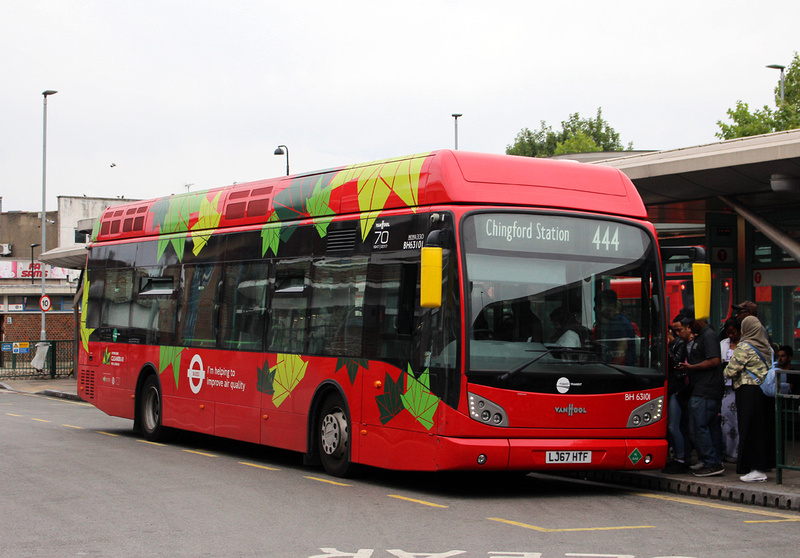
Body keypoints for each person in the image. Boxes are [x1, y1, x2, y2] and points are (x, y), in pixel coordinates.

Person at [722, 316, 775, 483]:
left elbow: (729, 371)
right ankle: (763, 465)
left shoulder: (744, 347)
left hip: (748, 392)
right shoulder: (767, 347)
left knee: (749, 428)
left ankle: (755, 468)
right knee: (762, 428)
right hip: (763, 392)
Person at [678, 308, 724, 477]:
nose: (689, 326)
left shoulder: (708, 335)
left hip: (706, 389)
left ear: (701, 320)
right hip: (701, 388)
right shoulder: (702, 335)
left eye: (691, 323)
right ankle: (711, 459)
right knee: (707, 426)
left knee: (700, 425)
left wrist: (691, 368)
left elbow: (714, 361)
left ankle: (712, 462)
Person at [662, 313, 692, 474]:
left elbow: (676, 364)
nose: (679, 333)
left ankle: (681, 458)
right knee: (669, 426)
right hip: (666, 387)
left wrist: (666, 348)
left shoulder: (680, 344)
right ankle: (674, 456)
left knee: (675, 425)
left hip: (677, 388)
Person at [719, 318, 741, 464]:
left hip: (739, 387)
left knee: (738, 422)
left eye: (734, 332)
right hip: (725, 387)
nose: (731, 335)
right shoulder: (723, 344)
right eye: (729, 333)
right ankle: (726, 451)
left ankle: (737, 452)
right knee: (725, 421)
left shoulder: (745, 345)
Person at [594, 290, 636, 366]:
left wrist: (610, 368)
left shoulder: (616, 322)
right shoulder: (621, 319)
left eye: (600, 306)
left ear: (611, 306)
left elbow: (622, 348)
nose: (596, 309)